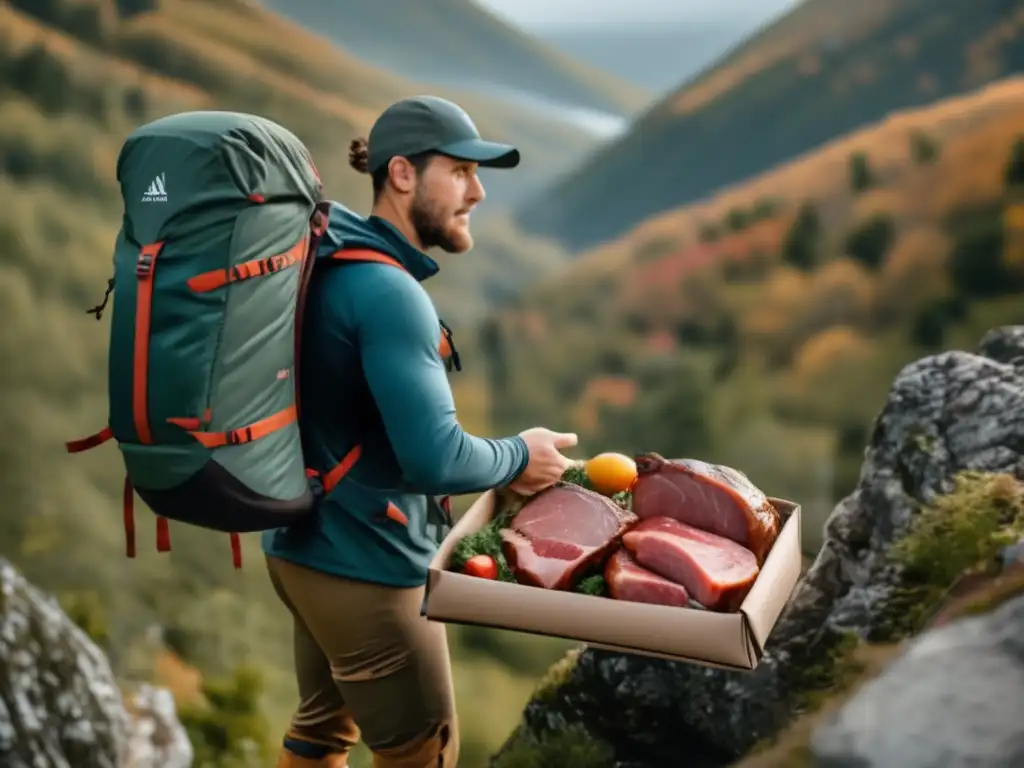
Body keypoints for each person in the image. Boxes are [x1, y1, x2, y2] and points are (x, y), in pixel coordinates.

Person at [263, 95, 578, 768]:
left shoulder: (332, 256)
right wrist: (520, 452)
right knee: (425, 752)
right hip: (367, 569)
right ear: (402, 174)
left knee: (321, 734)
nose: (478, 191)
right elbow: (436, 458)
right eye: (460, 171)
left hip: (299, 549)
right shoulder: (389, 294)